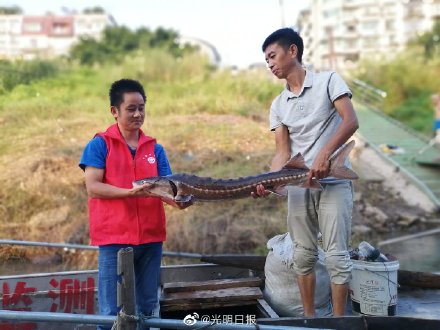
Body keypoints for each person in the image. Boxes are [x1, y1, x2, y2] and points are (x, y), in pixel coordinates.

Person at [253, 28, 359, 316]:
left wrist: (325, 154)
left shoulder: (328, 81)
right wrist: (269, 182)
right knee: (303, 256)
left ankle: (338, 321)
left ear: (293, 51)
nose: (270, 64)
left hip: (334, 182)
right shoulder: (278, 105)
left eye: (273, 56)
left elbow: (350, 121)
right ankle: (310, 319)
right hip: (299, 186)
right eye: (266, 61)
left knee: (337, 256)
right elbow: (282, 153)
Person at [79, 79, 189, 330]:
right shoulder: (99, 144)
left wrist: (177, 202)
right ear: (114, 111)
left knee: (148, 306)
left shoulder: (155, 149)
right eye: (131, 108)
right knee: (111, 311)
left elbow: (167, 188)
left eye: (141, 107)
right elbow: (93, 187)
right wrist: (129, 193)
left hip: (151, 238)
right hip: (114, 239)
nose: (138, 114)